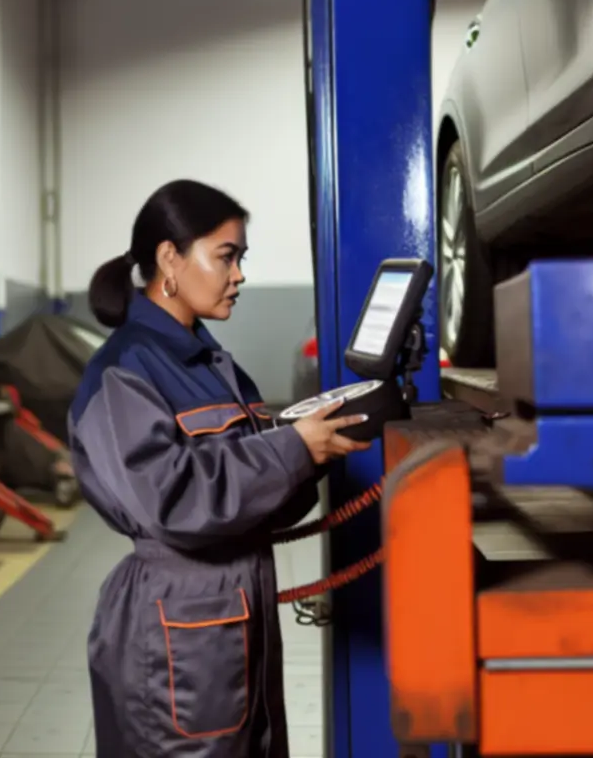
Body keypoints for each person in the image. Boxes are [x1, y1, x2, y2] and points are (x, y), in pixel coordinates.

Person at [68, 179, 370, 757]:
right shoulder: (124, 372)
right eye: (226, 256)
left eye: (242, 259)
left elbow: (257, 492)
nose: (240, 275)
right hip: (178, 621)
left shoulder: (211, 364)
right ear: (169, 260)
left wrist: (317, 449)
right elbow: (171, 500)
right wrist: (291, 450)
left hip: (231, 617)